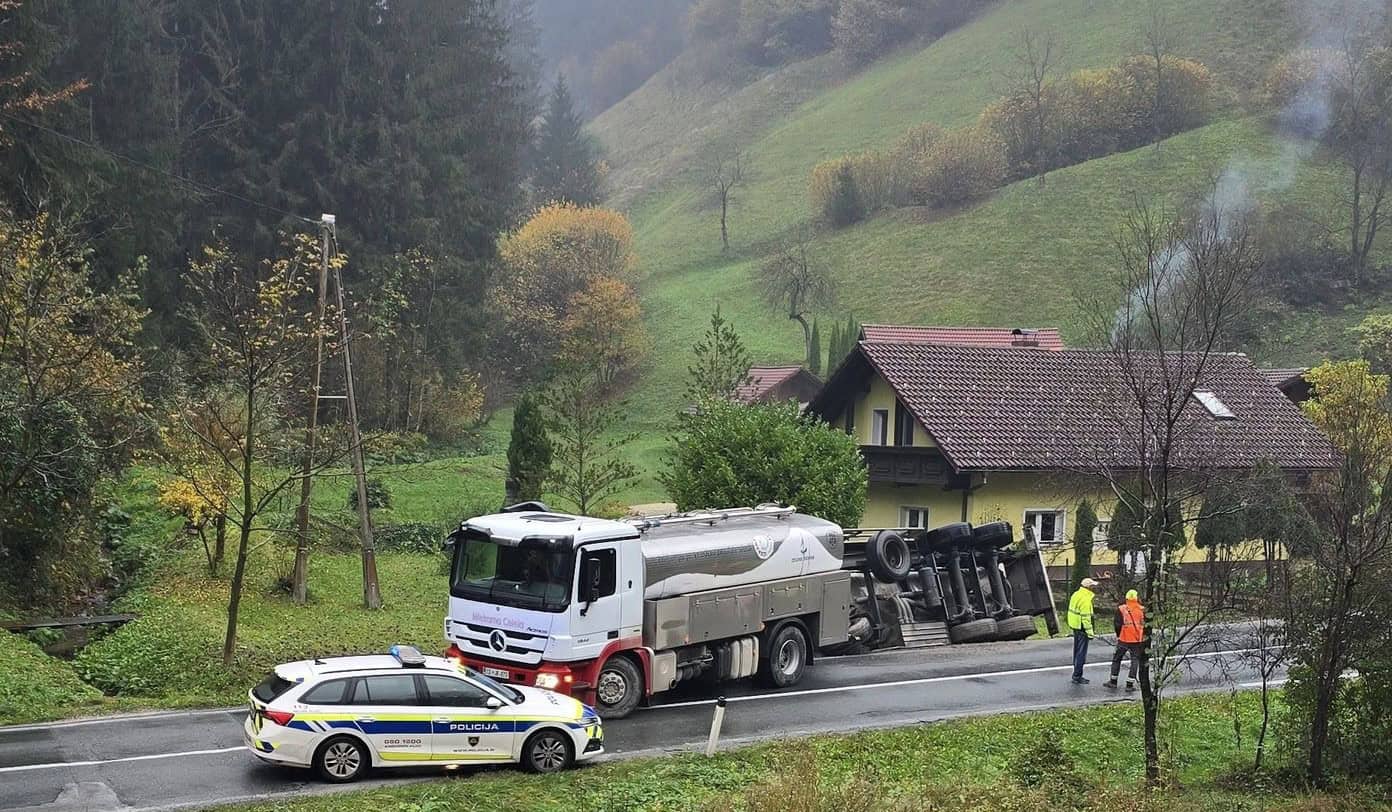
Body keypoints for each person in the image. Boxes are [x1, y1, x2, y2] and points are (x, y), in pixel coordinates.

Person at [1105, 589, 1145, 692]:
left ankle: (1113, 682)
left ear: (1126, 598)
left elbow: (1117, 624)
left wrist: (1119, 635)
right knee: (1135, 660)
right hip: (1137, 639)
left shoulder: (1121, 609)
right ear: (1137, 598)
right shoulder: (1142, 609)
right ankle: (1130, 684)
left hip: (1124, 638)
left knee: (1117, 659)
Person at [1066, 577, 1098, 684]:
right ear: (1089, 587)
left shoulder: (1076, 594)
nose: (1094, 588)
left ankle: (1076, 673)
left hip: (1075, 625)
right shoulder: (1085, 599)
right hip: (1082, 627)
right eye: (1093, 586)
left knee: (1077, 651)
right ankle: (1077, 675)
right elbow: (1086, 617)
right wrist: (1090, 633)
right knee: (1081, 653)